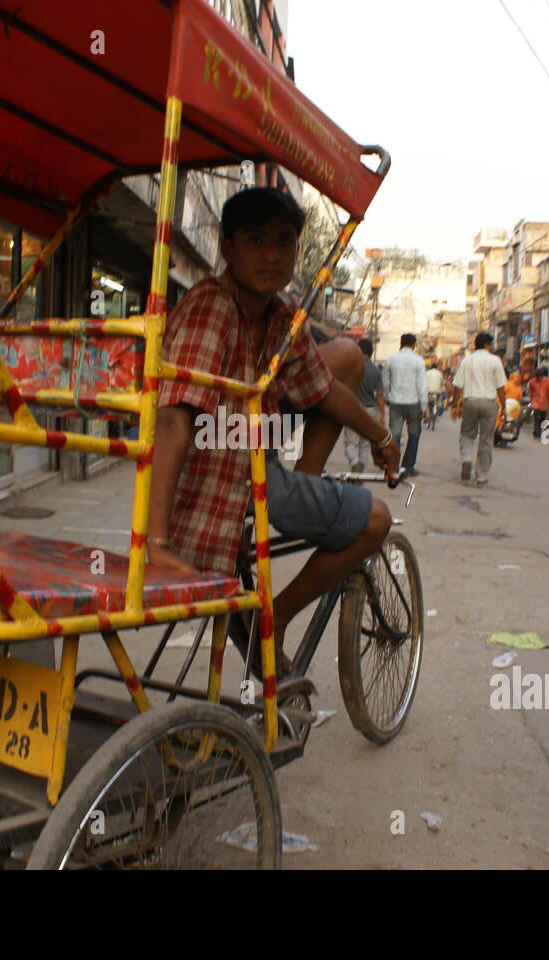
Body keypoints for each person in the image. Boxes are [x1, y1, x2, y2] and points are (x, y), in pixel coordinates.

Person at [146, 187, 398, 679]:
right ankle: (275, 620)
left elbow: (323, 391)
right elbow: (174, 417)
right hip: (223, 477)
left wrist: (382, 438)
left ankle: (305, 491)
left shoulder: (283, 315)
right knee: (376, 521)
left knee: (344, 357)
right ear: (227, 247)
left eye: (283, 243)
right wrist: (156, 541)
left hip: (255, 462)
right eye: (256, 240)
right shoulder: (212, 306)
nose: (271, 255)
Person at [450, 331, 507, 484]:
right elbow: (501, 388)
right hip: (489, 403)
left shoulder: (467, 360)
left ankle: (467, 459)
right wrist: (504, 409)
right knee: (486, 439)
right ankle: (482, 475)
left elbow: (457, 386)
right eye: (491, 345)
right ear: (487, 345)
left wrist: (455, 405)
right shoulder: (495, 361)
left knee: (467, 433)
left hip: (470, 401)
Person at [383, 333, 427, 476]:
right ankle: (408, 466)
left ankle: (393, 465)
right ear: (414, 344)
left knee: (394, 435)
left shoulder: (391, 360)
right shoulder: (418, 361)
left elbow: (385, 382)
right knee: (414, 434)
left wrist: (386, 397)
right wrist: (424, 406)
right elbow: (422, 385)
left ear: (401, 343)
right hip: (413, 402)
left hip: (395, 401)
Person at [343, 337, 386, 471]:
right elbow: (379, 395)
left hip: (353, 408)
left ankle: (355, 462)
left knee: (350, 442)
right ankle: (362, 471)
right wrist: (382, 414)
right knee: (365, 443)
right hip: (371, 410)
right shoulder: (376, 370)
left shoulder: (351, 367)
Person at [529, 368, 549, 439]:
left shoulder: (547, 382)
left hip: (544, 403)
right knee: (537, 418)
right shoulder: (532, 382)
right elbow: (530, 391)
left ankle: (537, 431)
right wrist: (531, 400)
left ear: (542, 376)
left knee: (542, 419)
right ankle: (537, 432)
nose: (538, 378)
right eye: (537, 376)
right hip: (536, 403)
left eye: (539, 376)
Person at [425, 360, 444, 428]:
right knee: (438, 402)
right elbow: (442, 383)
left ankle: (427, 417)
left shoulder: (427, 373)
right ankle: (436, 413)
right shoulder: (439, 373)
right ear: (436, 368)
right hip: (437, 392)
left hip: (428, 392)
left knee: (427, 405)